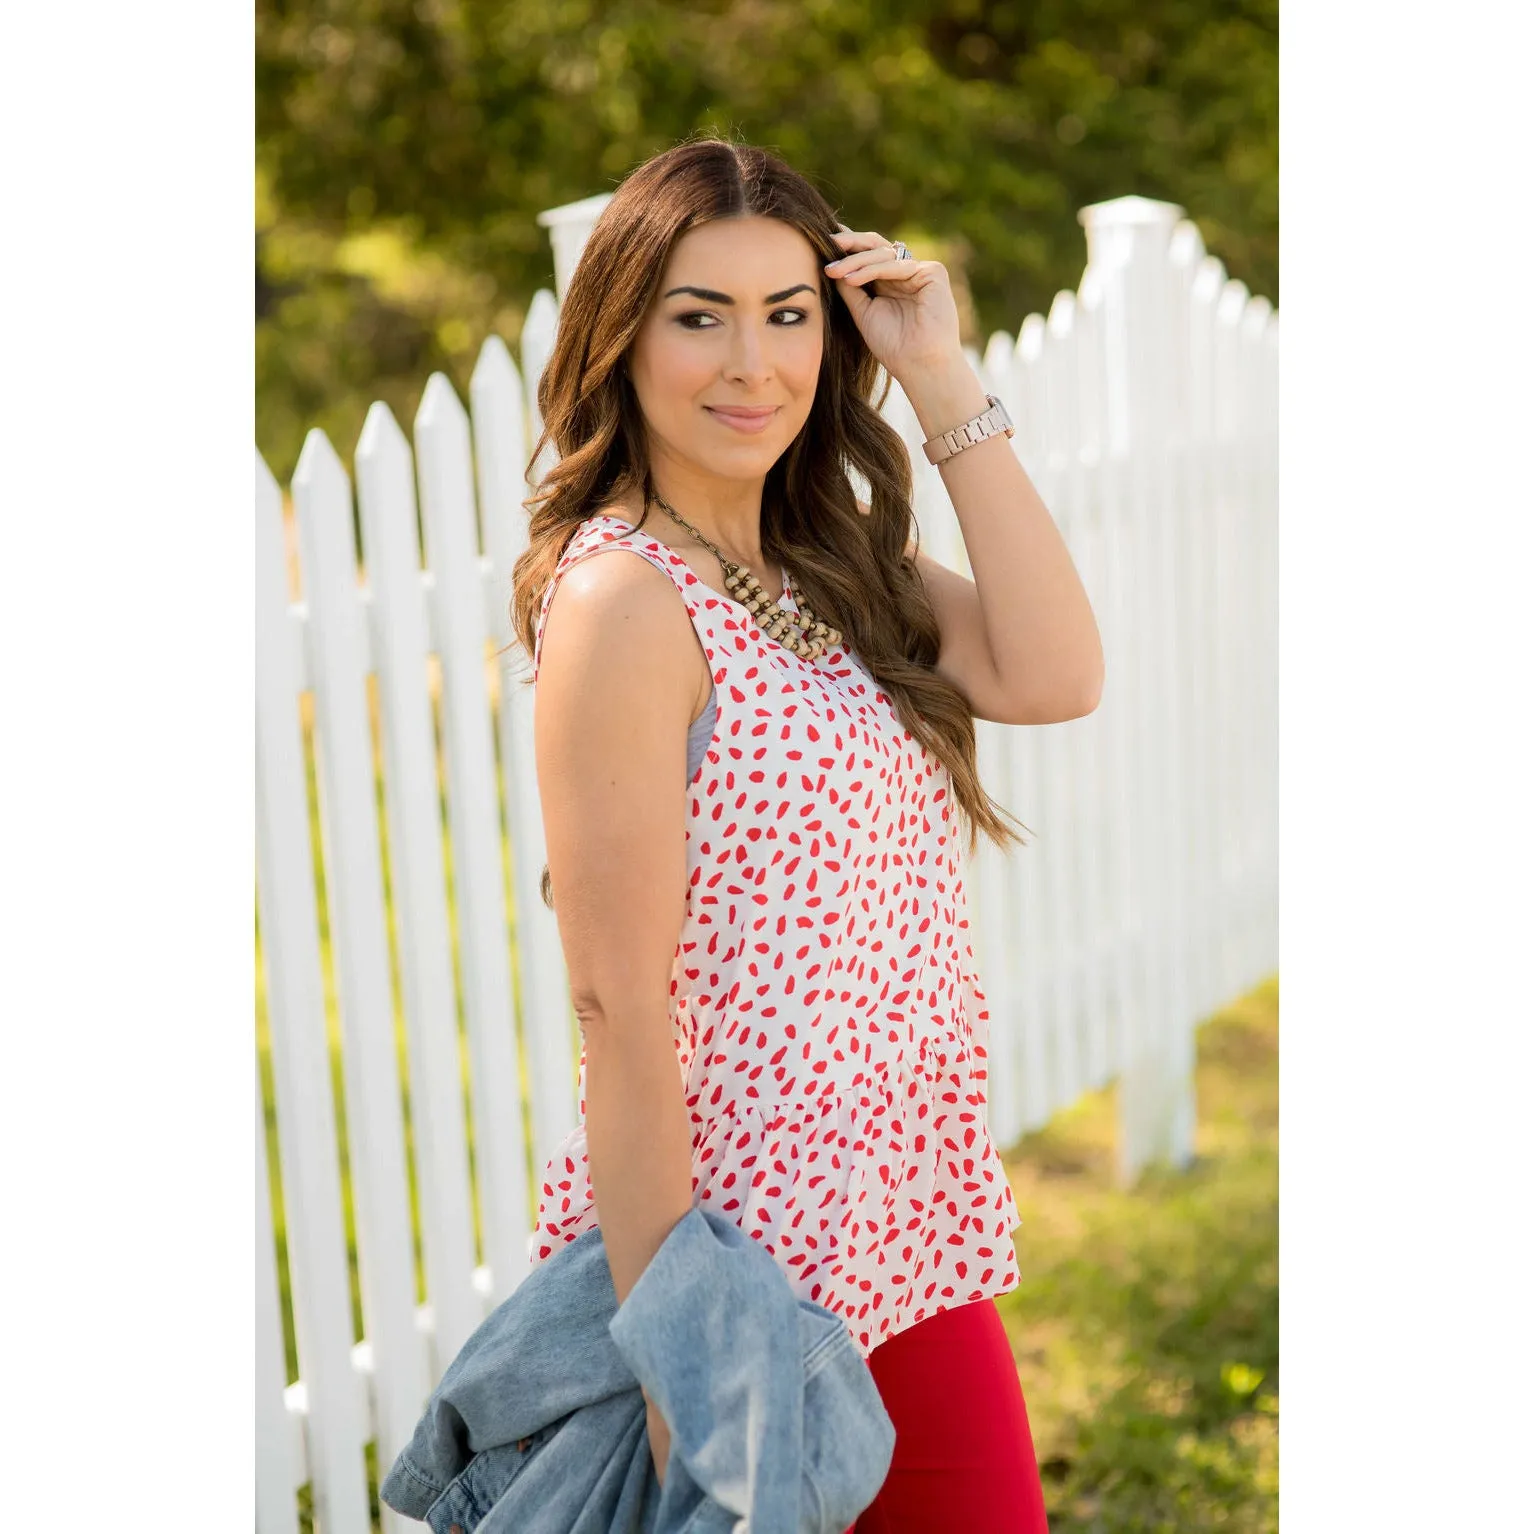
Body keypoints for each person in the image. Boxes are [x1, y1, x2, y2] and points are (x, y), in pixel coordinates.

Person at [510, 137, 1103, 1533]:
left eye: (786, 315)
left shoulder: (825, 556)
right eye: (696, 315)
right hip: (738, 1266)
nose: (749, 364)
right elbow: (617, 999)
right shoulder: (624, 602)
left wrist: (945, 381)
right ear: (622, 336)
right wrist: (680, 1359)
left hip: (903, 1228)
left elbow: (1055, 672)